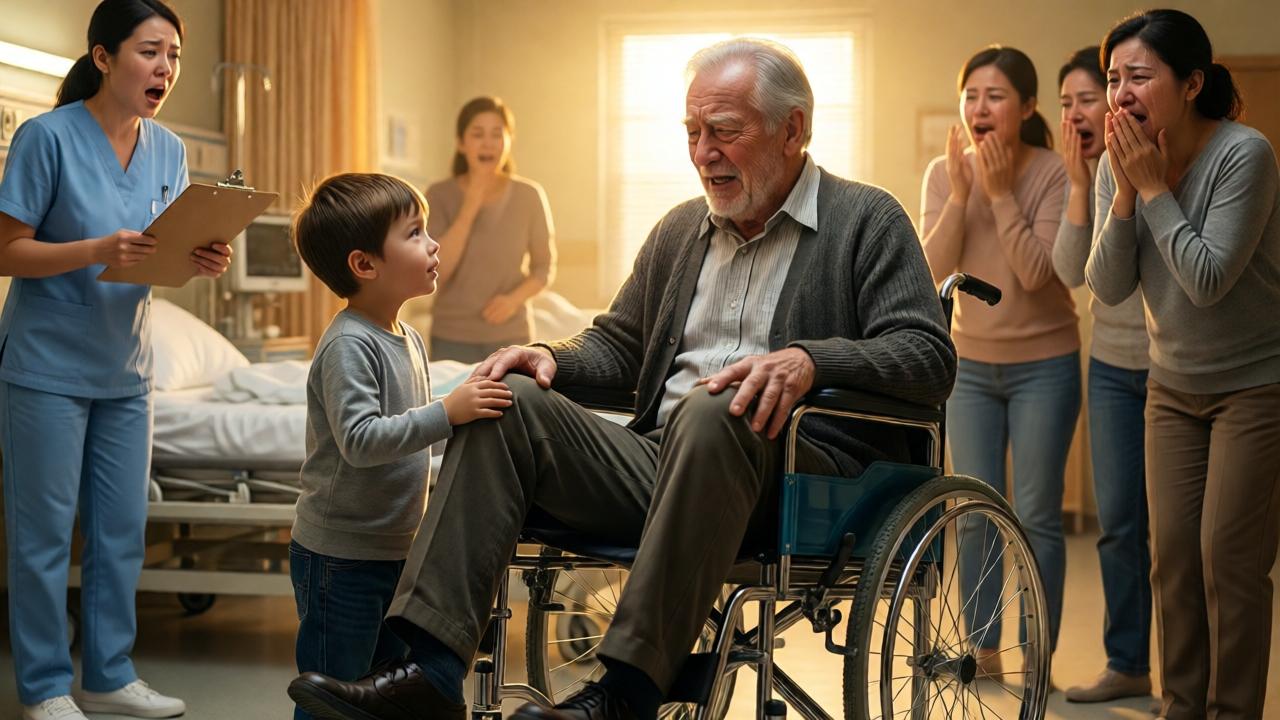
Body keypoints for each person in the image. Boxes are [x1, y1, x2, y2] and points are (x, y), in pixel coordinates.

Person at [287, 37, 955, 720]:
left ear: (795, 130)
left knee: (712, 405)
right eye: (693, 133)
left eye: (723, 131)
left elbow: (928, 354)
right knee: (507, 400)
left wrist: (811, 360)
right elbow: (622, 346)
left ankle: (625, 695)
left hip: (795, 480)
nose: (703, 153)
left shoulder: (866, 220)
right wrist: (553, 358)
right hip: (664, 462)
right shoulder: (679, 231)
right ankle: (424, 673)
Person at [0, 2, 233, 719]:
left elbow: (153, 257)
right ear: (103, 57)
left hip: (129, 369)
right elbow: (7, 250)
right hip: (46, 365)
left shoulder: (168, 150)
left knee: (120, 531)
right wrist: (97, 249)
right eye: (149, 52)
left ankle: (108, 673)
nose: (165, 69)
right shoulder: (46, 139)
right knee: (43, 535)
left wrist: (199, 258)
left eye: (174, 56)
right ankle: (43, 686)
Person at [1086, 9, 1280, 719]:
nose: (1121, 93)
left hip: (1256, 384)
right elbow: (1107, 287)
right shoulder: (1120, 163)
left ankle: (1233, 712)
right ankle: (1182, 704)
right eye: (1114, 78)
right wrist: (1128, 193)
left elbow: (1205, 280)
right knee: (1171, 559)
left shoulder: (1244, 154)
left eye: (1140, 75)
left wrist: (1155, 189)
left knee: (1228, 559)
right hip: (1171, 387)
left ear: (1192, 83)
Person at [286, 173, 513, 720]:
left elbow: (414, 432)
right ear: (365, 265)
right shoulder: (348, 344)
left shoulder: (406, 337)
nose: (433, 245)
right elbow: (362, 441)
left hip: (392, 549)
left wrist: (464, 427)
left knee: (383, 692)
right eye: (415, 234)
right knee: (330, 692)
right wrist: (447, 413)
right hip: (339, 557)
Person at [920, 45, 1077, 677]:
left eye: (997, 96)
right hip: (971, 370)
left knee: (1037, 515)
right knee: (976, 510)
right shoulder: (943, 171)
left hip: (1046, 364)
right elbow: (931, 272)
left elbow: (1038, 274)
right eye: (972, 96)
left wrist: (1001, 193)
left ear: (1028, 107)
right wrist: (962, 196)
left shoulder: (1051, 173)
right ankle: (983, 655)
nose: (981, 108)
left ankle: (1035, 654)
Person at [1052, 46, 1154, 705]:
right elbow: (1073, 272)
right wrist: (1079, 182)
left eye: (1087, 98)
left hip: (1178, 365)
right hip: (1113, 364)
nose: (1078, 113)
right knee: (1119, 522)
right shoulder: (1087, 174)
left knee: (1179, 536)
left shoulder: (1150, 159)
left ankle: (1194, 670)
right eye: (1065, 104)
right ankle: (1127, 663)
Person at [426, 97, 556, 362]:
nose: (488, 143)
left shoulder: (529, 195)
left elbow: (544, 268)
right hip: (451, 337)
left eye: (497, 134)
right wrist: (471, 204)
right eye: (477, 134)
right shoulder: (438, 195)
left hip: (512, 336)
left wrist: (513, 300)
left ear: (509, 141)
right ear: (461, 143)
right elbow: (438, 270)